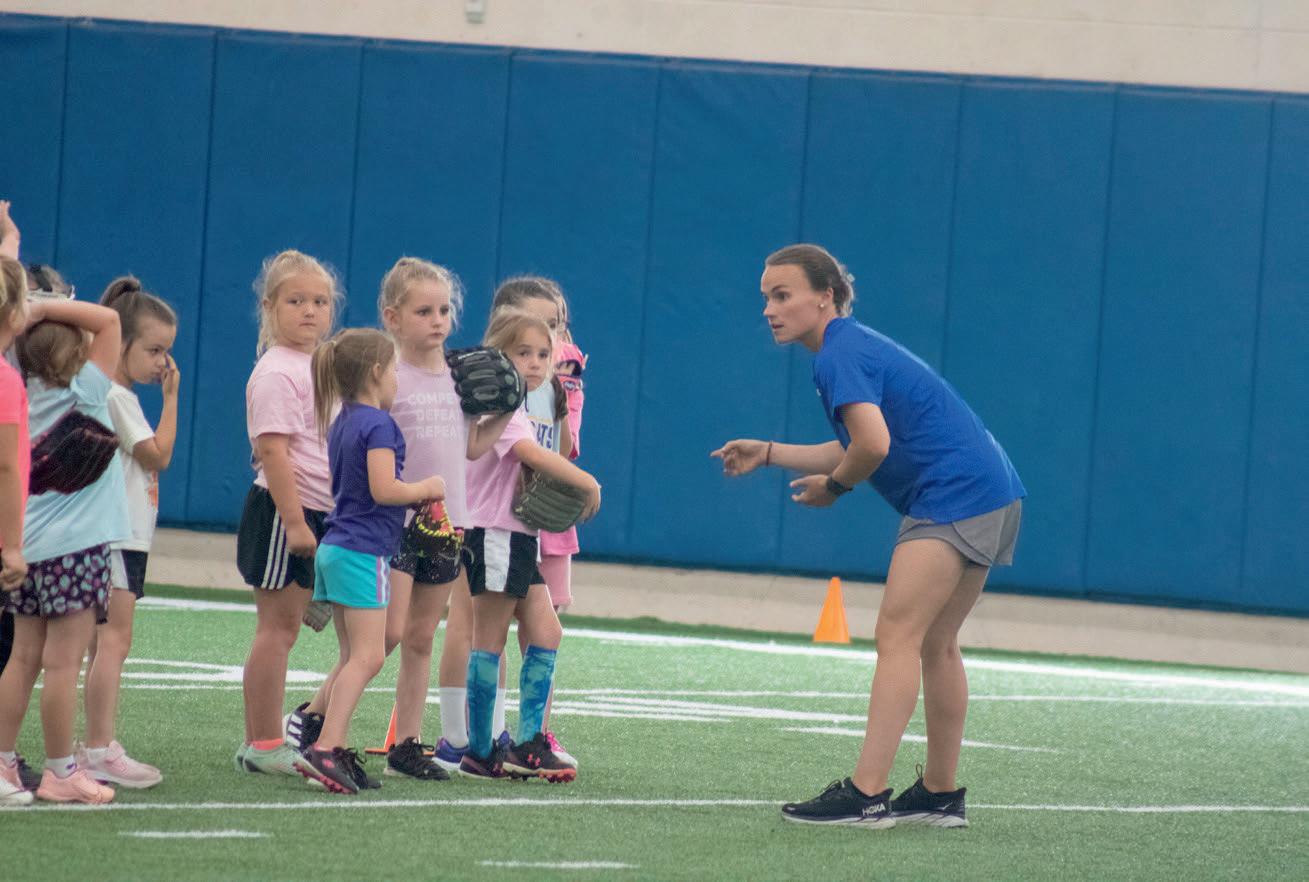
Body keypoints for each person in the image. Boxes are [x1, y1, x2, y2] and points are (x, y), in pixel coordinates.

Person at [713, 244, 1025, 829]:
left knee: (898, 636)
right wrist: (771, 452)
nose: (769, 310)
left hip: (955, 494)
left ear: (825, 296)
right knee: (936, 642)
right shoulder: (850, 346)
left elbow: (872, 447)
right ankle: (938, 794)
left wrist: (836, 487)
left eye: (782, 295)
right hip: (994, 489)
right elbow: (862, 441)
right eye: (766, 298)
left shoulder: (838, 355)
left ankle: (867, 793)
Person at [371, 257, 508, 779]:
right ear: (392, 317)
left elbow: (470, 447)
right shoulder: (386, 375)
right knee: (383, 636)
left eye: (444, 310)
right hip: (396, 521)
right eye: (423, 311)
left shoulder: (461, 376)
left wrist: (506, 413)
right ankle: (316, 720)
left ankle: (406, 745)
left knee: (421, 637)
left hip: (449, 523)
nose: (438, 321)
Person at [300, 328, 445, 794]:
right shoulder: (379, 424)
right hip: (363, 550)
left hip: (338, 545)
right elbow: (384, 489)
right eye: (394, 370)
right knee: (369, 656)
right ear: (377, 372)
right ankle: (327, 746)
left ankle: (325, 742)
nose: (398, 379)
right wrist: (426, 488)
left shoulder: (345, 419)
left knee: (351, 656)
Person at [457, 310, 600, 782]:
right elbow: (529, 453)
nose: (536, 362)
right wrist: (585, 482)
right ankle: (480, 751)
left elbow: (552, 450)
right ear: (499, 355)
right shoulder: (499, 405)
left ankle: (528, 744)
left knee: (546, 633)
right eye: (523, 353)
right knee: (490, 639)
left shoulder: (533, 401)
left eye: (543, 353)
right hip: (493, 532)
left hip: (519, 536)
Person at [0, 289, 129, 805]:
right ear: (77, 354)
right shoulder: (86, 389)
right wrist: (45, 306)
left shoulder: (19, 388)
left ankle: (4, 762)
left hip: (28, 545)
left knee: (21, 659)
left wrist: (28, 317)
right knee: (62, 664)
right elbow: (110, 320)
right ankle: (60, 771)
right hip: (76, 550)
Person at [233, 250, 339, 781]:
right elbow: (273, 451)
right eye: (296, 301)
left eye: (320, 301)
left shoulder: (321, 365)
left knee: (289, 628)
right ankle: (264, 741)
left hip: (317, 511)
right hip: (284, 512)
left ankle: (263, 739)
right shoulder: (276, 371)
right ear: (270, 306)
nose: (310, 311)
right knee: (276, 630)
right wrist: (295, 522)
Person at [78, 277, 179, 790]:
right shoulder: (116, 396)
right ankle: (99, 747)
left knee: (104, 643)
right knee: (113, 641)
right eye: (154, 350)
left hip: (124, 536)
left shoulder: (121, 395)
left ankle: (95, 746)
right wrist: (173, 399)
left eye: (167, 352)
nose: (163, 362)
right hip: (117, 536)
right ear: (121, 343)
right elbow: (157, 455)